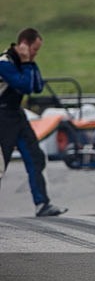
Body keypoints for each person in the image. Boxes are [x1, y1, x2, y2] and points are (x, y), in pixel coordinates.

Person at [0, 28, 67, 217]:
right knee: (0, 164)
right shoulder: (4, 63)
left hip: (16, 114)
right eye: (34, 50)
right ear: (23, 44)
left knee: (35, 156)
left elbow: (37, 86)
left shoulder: (24, 62)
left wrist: (31, 62)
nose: (36, 53)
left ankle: (42, 203)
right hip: (2, 117)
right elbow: (25, 86)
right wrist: (28, 62)